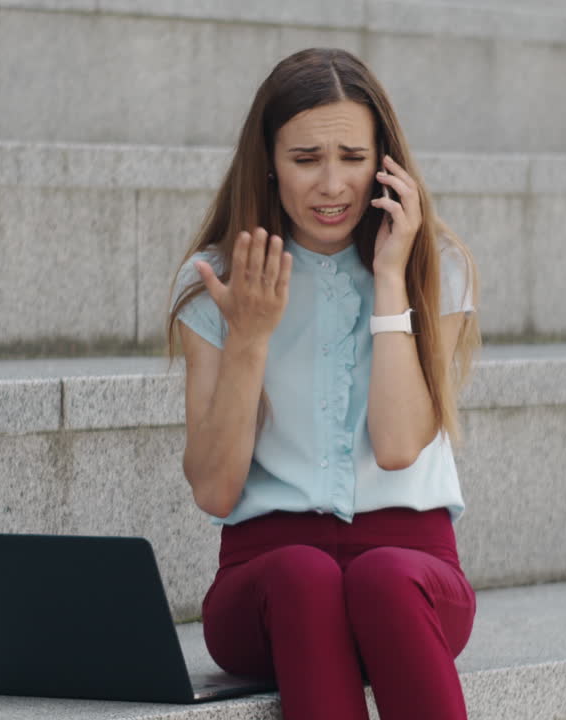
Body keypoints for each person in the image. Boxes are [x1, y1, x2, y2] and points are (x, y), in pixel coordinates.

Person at [166, 47, 480, 720]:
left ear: (385, 162)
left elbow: (398, 446)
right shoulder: (215, 281)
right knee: (305, 574)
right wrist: (249, 336)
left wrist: (391, 280)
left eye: (353, 158)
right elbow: (215, 488)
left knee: (382, 577)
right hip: (267, 584)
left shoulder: (436, 268)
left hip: (412, 579)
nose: (332, 185)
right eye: (306, 160)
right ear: (269, 162)